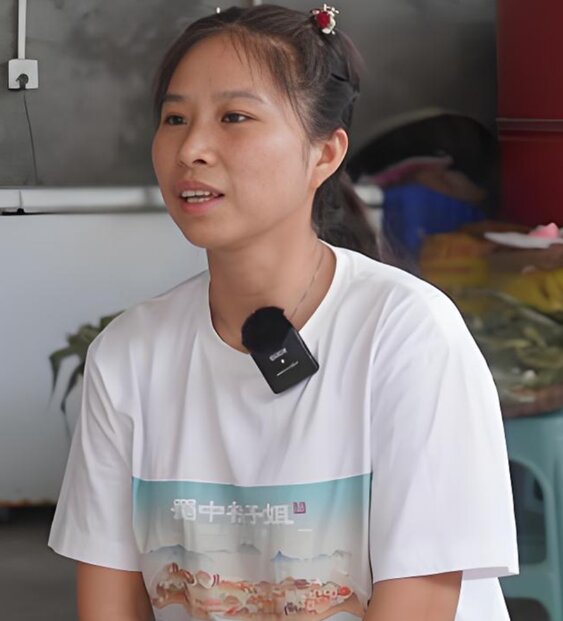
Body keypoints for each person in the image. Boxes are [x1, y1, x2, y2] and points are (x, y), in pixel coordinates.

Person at [48, 5, 518, 621]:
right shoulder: (128, 355)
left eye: (234, 117)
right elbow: (109, 605)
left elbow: (421, 600)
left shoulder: (408, 337)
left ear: (324, 154)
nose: (191, 148)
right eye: (175, 118)